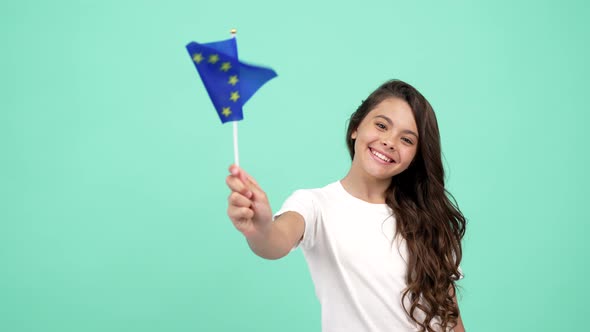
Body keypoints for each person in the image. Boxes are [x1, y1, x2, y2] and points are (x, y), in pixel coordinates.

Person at [225, 79, 466, 332]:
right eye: (381, 125)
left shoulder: (428, 219)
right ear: (356, 128)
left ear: (415, 157)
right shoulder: (315, 205)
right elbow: (274, 242)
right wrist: (260, 227)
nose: (390, 141)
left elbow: (450, 316)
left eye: (406, 140)